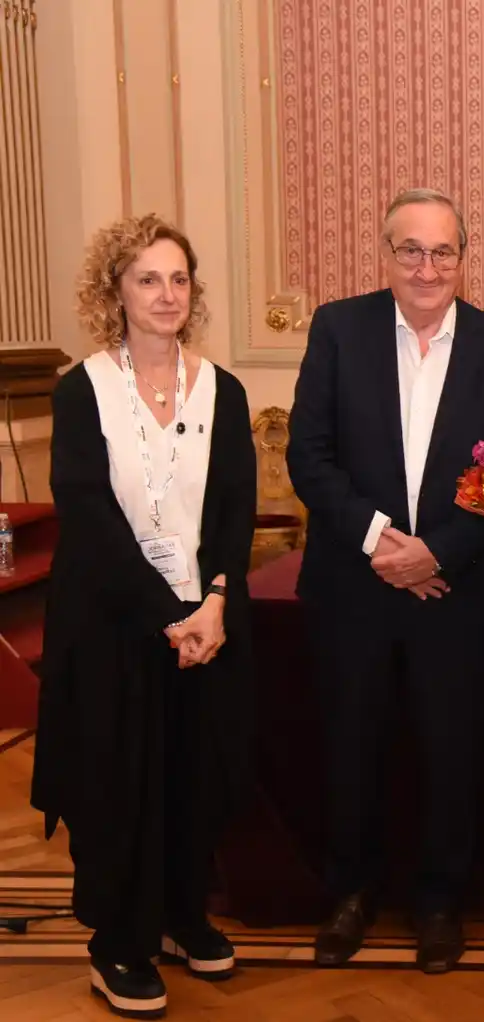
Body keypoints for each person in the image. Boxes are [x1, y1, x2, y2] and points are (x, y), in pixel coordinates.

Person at [286, 188, 484, 973]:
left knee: (450, 750)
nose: (427, 267)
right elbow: (309, 455)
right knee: (351, 746)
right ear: (385, 255)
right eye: (410, 250)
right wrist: (380, 543)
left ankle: (439, 902)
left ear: (464, 260)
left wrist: (439, 554)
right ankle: (351, 895)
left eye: (443, 252)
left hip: (455, 592)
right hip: (351, 589)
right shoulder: (337, 328)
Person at [31, 214, 257, 1018]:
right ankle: (117, 944)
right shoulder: (81, 387)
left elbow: (235, 510)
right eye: (148, 279)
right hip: (111, 628)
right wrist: (171, 615)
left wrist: (216, 604)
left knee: (196, 776)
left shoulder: (222, 390)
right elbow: (88, 515)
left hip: (207, 623)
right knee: (117, 783)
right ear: (115, 292)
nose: (167, 294)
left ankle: (179, 914)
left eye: (179, 278)